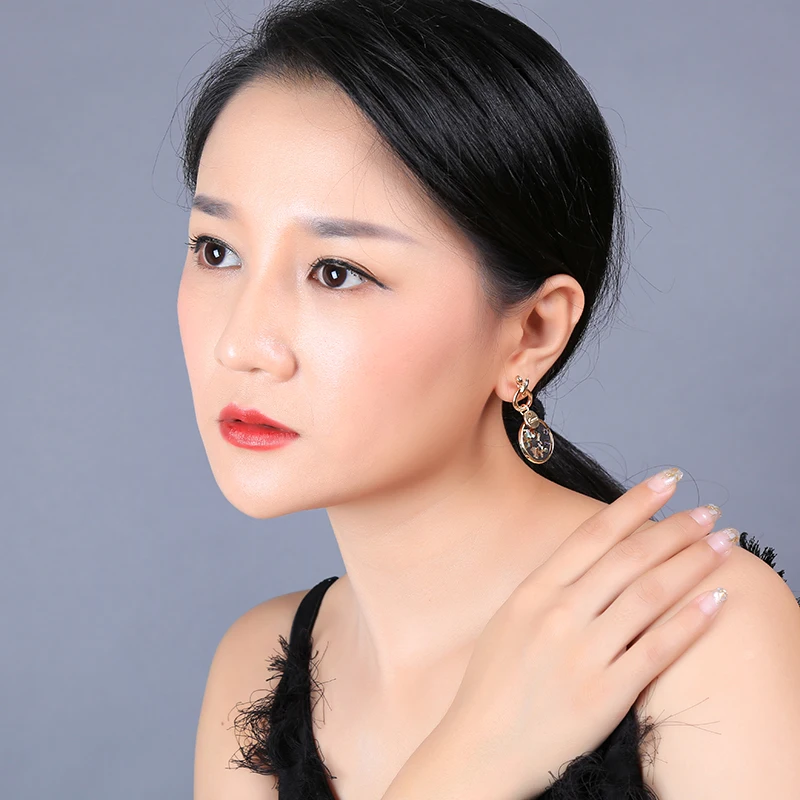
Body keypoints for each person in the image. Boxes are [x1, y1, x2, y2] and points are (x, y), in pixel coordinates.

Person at [177, 1, 800, 798]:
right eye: (216, 251)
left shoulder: (698, 628)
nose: (239, 344)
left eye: (336, 272)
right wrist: (474, 757)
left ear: (532, 332)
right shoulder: (258, 670)